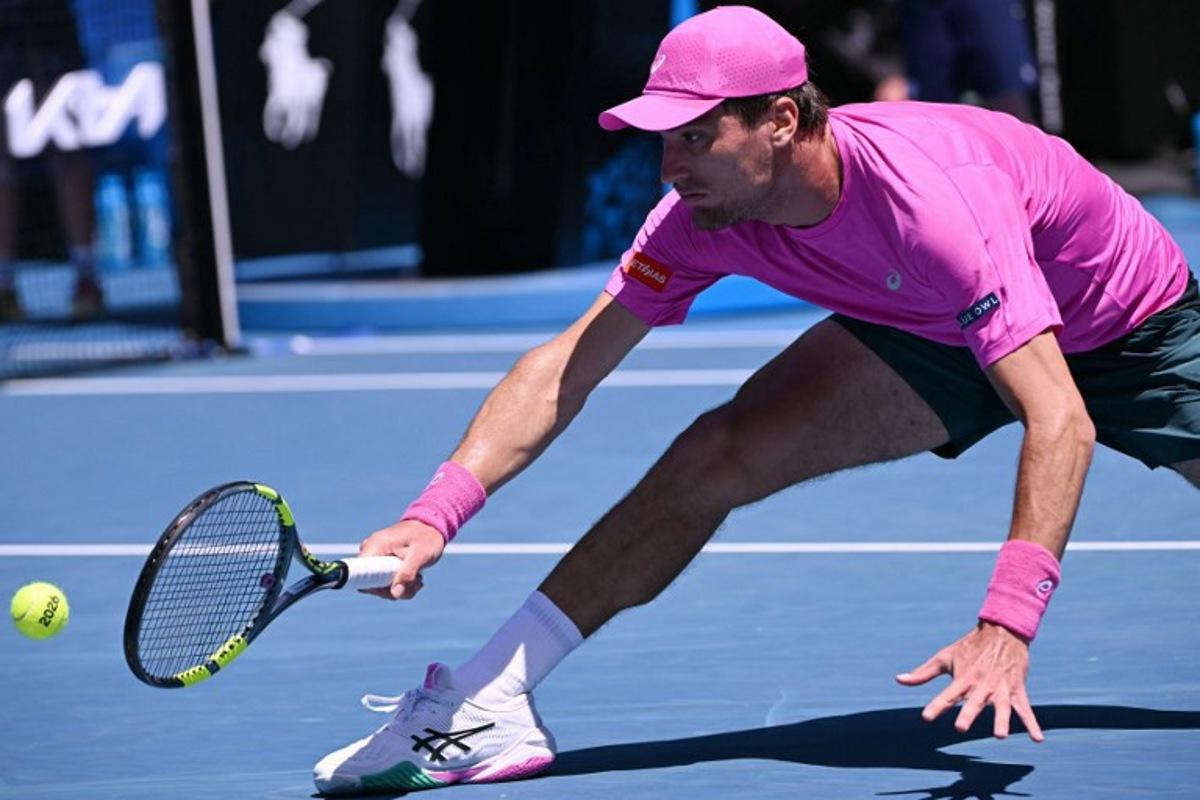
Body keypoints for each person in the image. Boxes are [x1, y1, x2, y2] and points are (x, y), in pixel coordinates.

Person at [313, 6, 1200, 794]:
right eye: (662, 141)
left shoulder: (935, 203)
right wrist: (438, 512)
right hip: (928, 328)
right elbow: (567, 366)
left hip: (1133, 331)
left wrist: (1008, 622)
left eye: (695, 138)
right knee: (714, 453)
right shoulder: (698, 220)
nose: (670, 168)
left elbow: (1060, 417)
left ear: (781, 121)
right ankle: (489, 697)